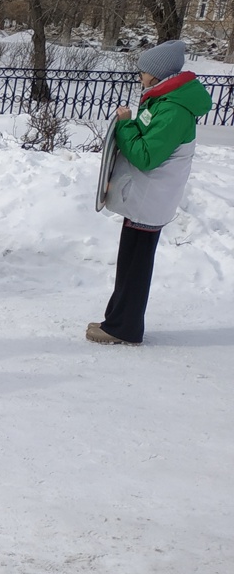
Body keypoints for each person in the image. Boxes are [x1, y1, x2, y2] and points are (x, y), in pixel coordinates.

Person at [89, 39, 213, 346]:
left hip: (150, 198)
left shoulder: (173, 110)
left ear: (157, 75)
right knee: (130, 261)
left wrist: (125, 125)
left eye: (143, 72)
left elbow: (146, 156)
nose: (140, 76)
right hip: (145, 197)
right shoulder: (163, 102)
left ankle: (124, 329)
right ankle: (117, 320)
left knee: (135, 265)